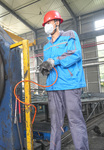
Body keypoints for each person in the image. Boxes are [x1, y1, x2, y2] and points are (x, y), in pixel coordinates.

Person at [39, 10, 89, 150]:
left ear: (57, 22)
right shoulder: (46, 46)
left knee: (75, 121)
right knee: (55, 123)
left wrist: (54, 61)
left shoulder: (70, 35)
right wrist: (45, 67)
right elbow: (47, 62)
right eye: (45, 24)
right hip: (53, 87)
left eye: (48, 23)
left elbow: (75, 54)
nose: (46, 26)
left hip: (70, 85)